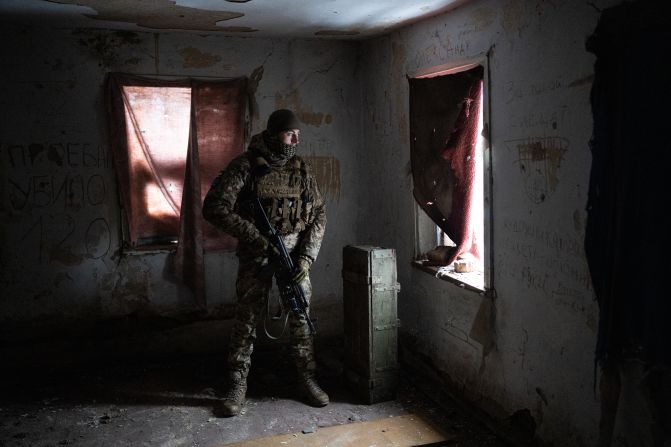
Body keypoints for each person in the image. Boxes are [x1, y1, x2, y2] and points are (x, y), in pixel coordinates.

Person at [202, 109, 328, 417]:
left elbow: (320, 214)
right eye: (289, 134)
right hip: (258, 255)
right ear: (272, 135)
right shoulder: (245, 166)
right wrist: (255, 237)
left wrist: (307, 256)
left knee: (300, 315)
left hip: (294, 258)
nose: (296, 139)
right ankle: (236, 381)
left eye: (298, 134)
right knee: (247, 318)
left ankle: (305, 376)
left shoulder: (301, 170)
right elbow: (214, 207)